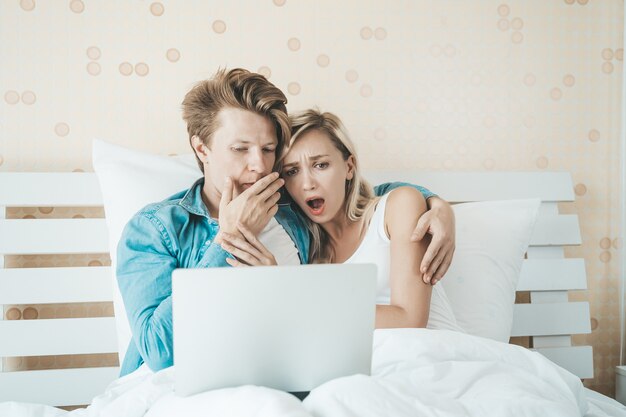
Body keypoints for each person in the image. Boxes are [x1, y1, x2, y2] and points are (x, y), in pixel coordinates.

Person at [116, 68, 456, 376]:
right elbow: (159, 353)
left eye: (268, 149)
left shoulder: (290, 209)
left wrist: (436, 204)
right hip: (181, 385)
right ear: (202, 149)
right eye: (241, 149)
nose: (260, 166)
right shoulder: (154, 229)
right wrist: (230, 236)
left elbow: (355, 196)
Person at [221, 109, 461, 330]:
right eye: (292, 171)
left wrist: (289, 296)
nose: (307, 183)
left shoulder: (398, 206)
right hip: (369, 369)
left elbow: (410, 319)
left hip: (430, 356)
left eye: (321, 165)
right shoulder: (307, 255)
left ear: (349, 167)